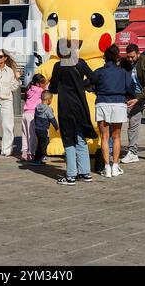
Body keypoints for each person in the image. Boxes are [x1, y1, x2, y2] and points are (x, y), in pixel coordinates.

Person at [49, 39, 97, 186]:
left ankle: (71, 175)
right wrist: (81, 86)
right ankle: (85, 173)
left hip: (66, 108)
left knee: (68, 140)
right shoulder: (81, 63)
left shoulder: (59, 66)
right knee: (81, 138)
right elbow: (94, 78)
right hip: (81, 107)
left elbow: (53, 89)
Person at [93, 44, 135, 178]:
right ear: (117, 57)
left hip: (102, 102)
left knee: (104, 137)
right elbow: (131, 87)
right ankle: (115, 166)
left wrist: (97, 91)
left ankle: (106, 167)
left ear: (105, 57)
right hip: (118, 103)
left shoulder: (99, 71)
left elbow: (89, 84)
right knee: (116, 136)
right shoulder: (123, 72)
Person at [22, 74, 47, 161]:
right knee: (32, 136)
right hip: (32, 114)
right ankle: (31, 153)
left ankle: (24, 153)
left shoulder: (29, 89)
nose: (45, 84)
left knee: (25, 134)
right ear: (37, 83)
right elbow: (47, 91)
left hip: (25, 114)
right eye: (43, 82)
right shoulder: (39, 90)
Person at [31, 90, 58, 166]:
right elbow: (52, 119)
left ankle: (39, 158)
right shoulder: (48, 109)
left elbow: (35, 117)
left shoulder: (37, 107)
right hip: (44, 130)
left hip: (37, 129)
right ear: (49, 100)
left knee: (40, 143)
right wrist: (57, 127)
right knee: (43, 145)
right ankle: (37, 160)